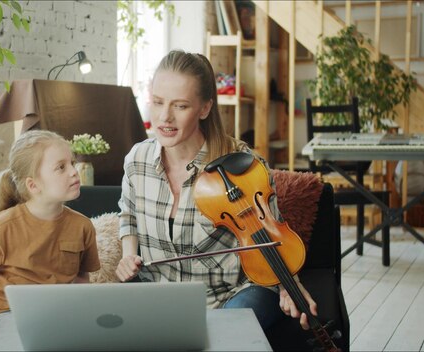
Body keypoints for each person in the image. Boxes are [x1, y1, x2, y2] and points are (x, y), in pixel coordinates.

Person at [115, 50, 317, 331]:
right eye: (158, 102)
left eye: (181, 106)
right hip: (160, 296)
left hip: (232, 295)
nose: (164, 117)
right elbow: (129, 216)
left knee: (226, 331)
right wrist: (128, 255)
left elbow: (270, 236)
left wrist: (289, 285)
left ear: (205, 108)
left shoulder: (242, 164)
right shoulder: (137, 160)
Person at [0, 130, 100, 351]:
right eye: (61, 167)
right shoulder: (1, 228)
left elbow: (81, 277)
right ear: (33, 185)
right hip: (3, 315)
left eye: (72, 163)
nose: (73, 172)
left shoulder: (82, 226)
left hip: (54, 316)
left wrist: (78, 315)